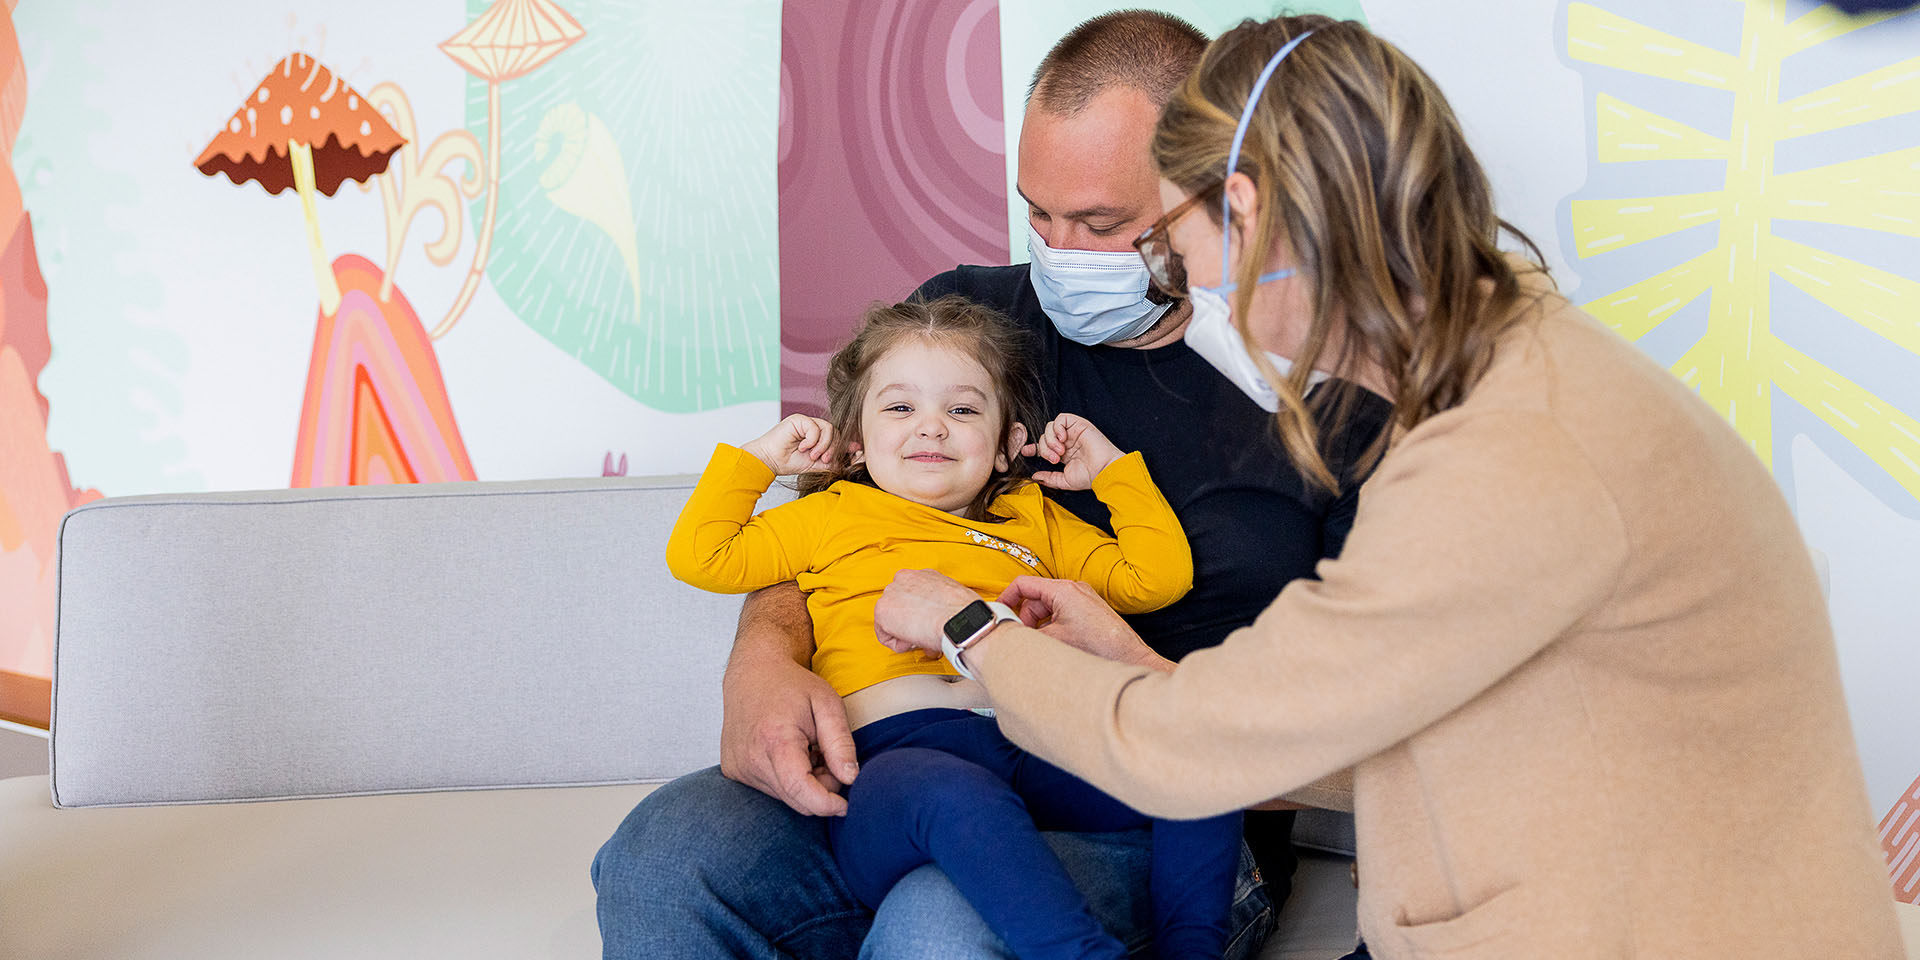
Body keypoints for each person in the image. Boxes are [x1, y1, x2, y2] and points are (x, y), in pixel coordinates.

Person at [870, 15, 1906, 960]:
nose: (1186, 295)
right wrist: (1142, 661)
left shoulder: (1511, 449)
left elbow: (1184, 755)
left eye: (1173, 253)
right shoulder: (1511, 372)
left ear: (1246, 214)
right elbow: (1387, 738)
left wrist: (974, 632)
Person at [592, 11, 1389, 959]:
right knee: (661, 854)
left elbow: (1374, 737)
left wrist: (1146, 701)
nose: (1056, 250)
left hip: (1150, 805)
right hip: (906, 756)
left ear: (1216, 194)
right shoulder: (964, 326)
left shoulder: (1336, 403)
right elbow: (828, 532)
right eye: (1037, 213)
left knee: (943, 920)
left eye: (1098, 223)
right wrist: (760, 662)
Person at [664, 295, 1241, 960]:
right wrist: (760, 458)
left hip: (1039, 741)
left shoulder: (1034, 519)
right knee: (955, 795)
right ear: (855, 437)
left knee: (1196, 763)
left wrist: (1112, 472)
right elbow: (701, 556)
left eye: (962, 410)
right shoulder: (827, 516)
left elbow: (1153, 578)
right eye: (900, 407)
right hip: (893, 767)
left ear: (1007, 446)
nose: (931, 428)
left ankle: (1193, 950)